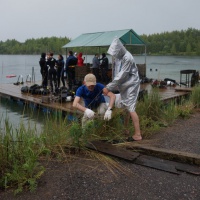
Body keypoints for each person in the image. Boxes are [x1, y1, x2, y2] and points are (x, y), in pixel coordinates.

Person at [104, 38, 142, 141]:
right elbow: (116, 72)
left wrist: (109, 87)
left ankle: (138, 134)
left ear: (119, 49)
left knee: (131, 107)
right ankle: (125, 129)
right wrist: (114, 84)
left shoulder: (127, 58)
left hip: (131, 85)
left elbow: (122, 75)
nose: (114, 55)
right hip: (125, 85)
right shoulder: (120, 57)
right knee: (126, 107)